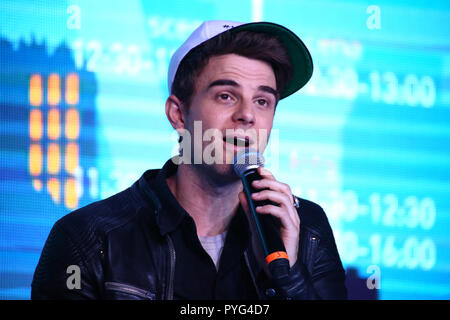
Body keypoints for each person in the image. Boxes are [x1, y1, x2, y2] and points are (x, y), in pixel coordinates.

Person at [31, 20, 347, 300]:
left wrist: (288, 275)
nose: (247, 115)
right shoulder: (88, 237)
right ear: (179, 114)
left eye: (263, 101)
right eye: (226, 95)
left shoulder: (308, 229)